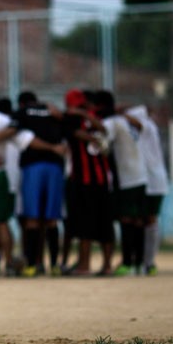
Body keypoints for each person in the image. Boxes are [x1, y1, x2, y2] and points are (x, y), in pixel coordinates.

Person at [59, 88, 115, 276]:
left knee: (88, 224)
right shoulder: (87, 118)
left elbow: (100, 131)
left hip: (85, 180)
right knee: (101, 223)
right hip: (95, 179)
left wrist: (85, 116)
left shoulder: (78, 117)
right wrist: (94, 136)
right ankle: (103, 265)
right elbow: (80, 133)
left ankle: (86, 266)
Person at [12, 91, 65, 277]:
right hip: (55, 167)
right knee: (51, 220)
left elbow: (21, 136)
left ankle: (32, 265)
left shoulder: (22, 113)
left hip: (33, 167)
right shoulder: (54, 111)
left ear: (21, 103)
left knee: (32, 219)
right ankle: (55, 265)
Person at [97, 91, 147, 276]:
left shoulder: (111, 122)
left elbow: (102, 145)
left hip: (126, 178)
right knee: (139, 220)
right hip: (141, 175)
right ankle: (139, 264)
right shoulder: (126, 120)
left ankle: (127, 263)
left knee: (127, 220)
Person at [129, 105, 169, 275]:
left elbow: (134, 122)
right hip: (145, 180)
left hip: (154, 182)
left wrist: (118, 114)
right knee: (141, 221)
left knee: (150, 220)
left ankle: (149, 261)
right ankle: (140, 260)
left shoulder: (148, 127)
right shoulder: (139, 134)